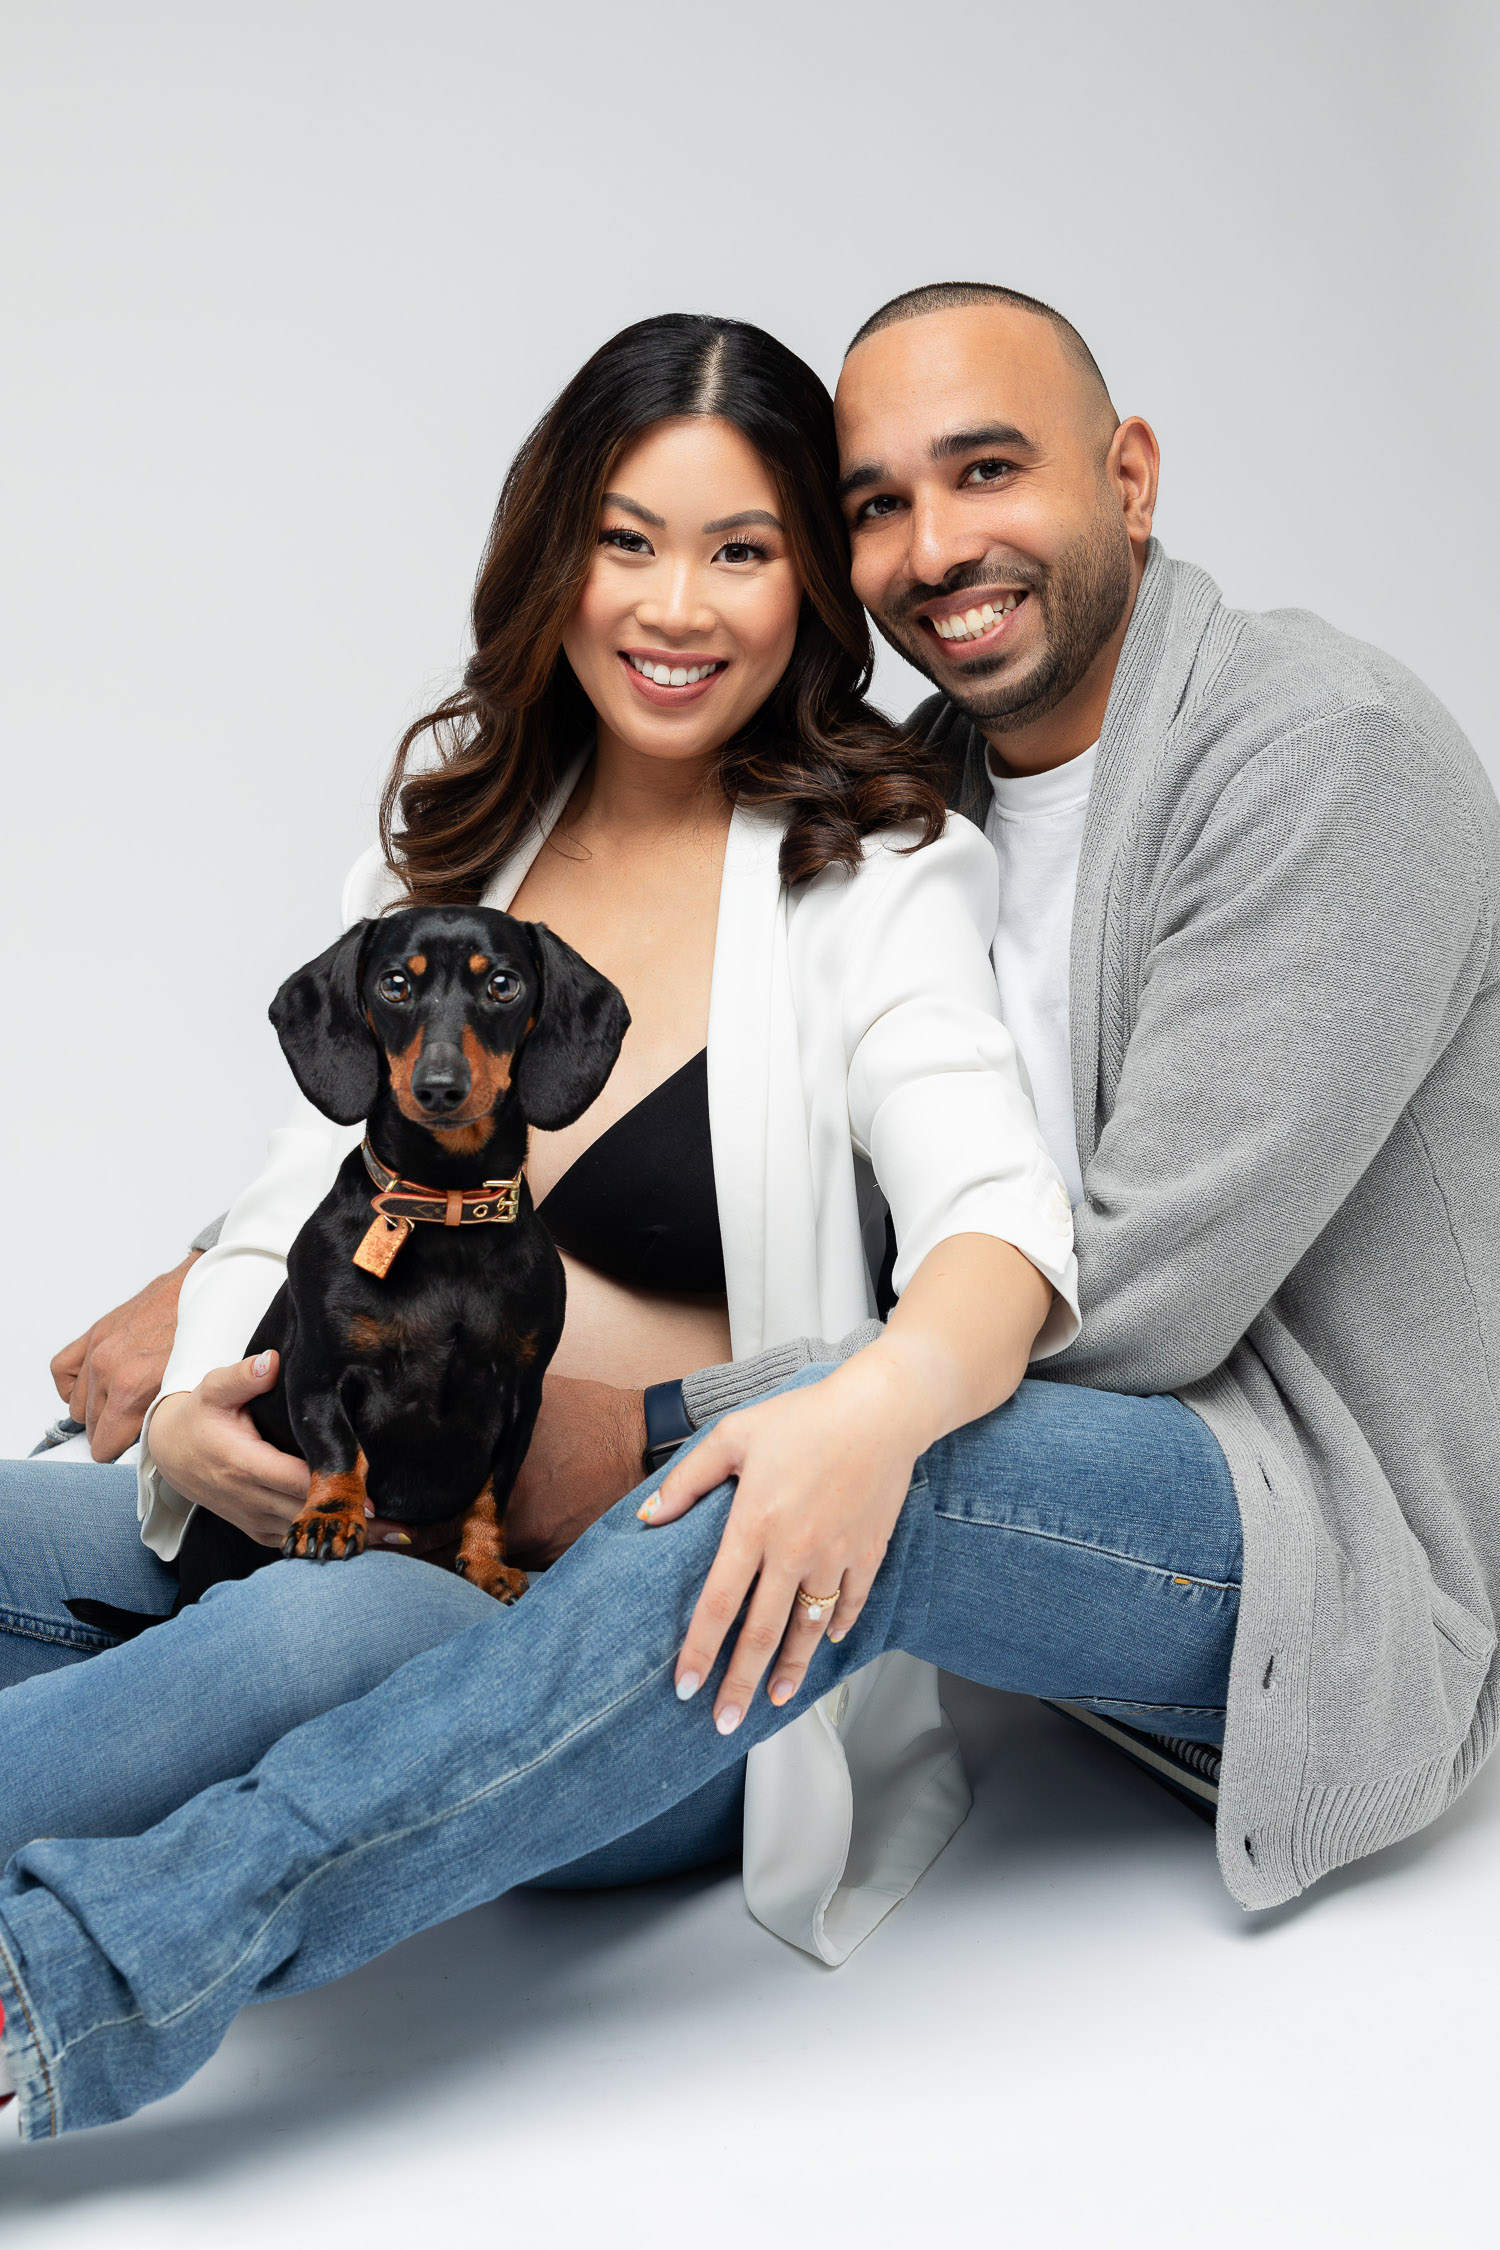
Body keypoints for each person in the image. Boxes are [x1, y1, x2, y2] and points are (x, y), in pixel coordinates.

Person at [3, 277, 1493, 2141]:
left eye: (988, 471)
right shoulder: (925, 768)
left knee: (830, 1456)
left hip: (1288, 1517)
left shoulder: (1298, 760)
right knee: (68, 1542)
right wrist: (243, 1331)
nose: (934, 546)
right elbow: (322, 1185)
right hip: (443, 1516)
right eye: (881, 500)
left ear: (1130, 475)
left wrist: (599, 1440)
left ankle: (65, 1985)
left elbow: (1097, 1300)